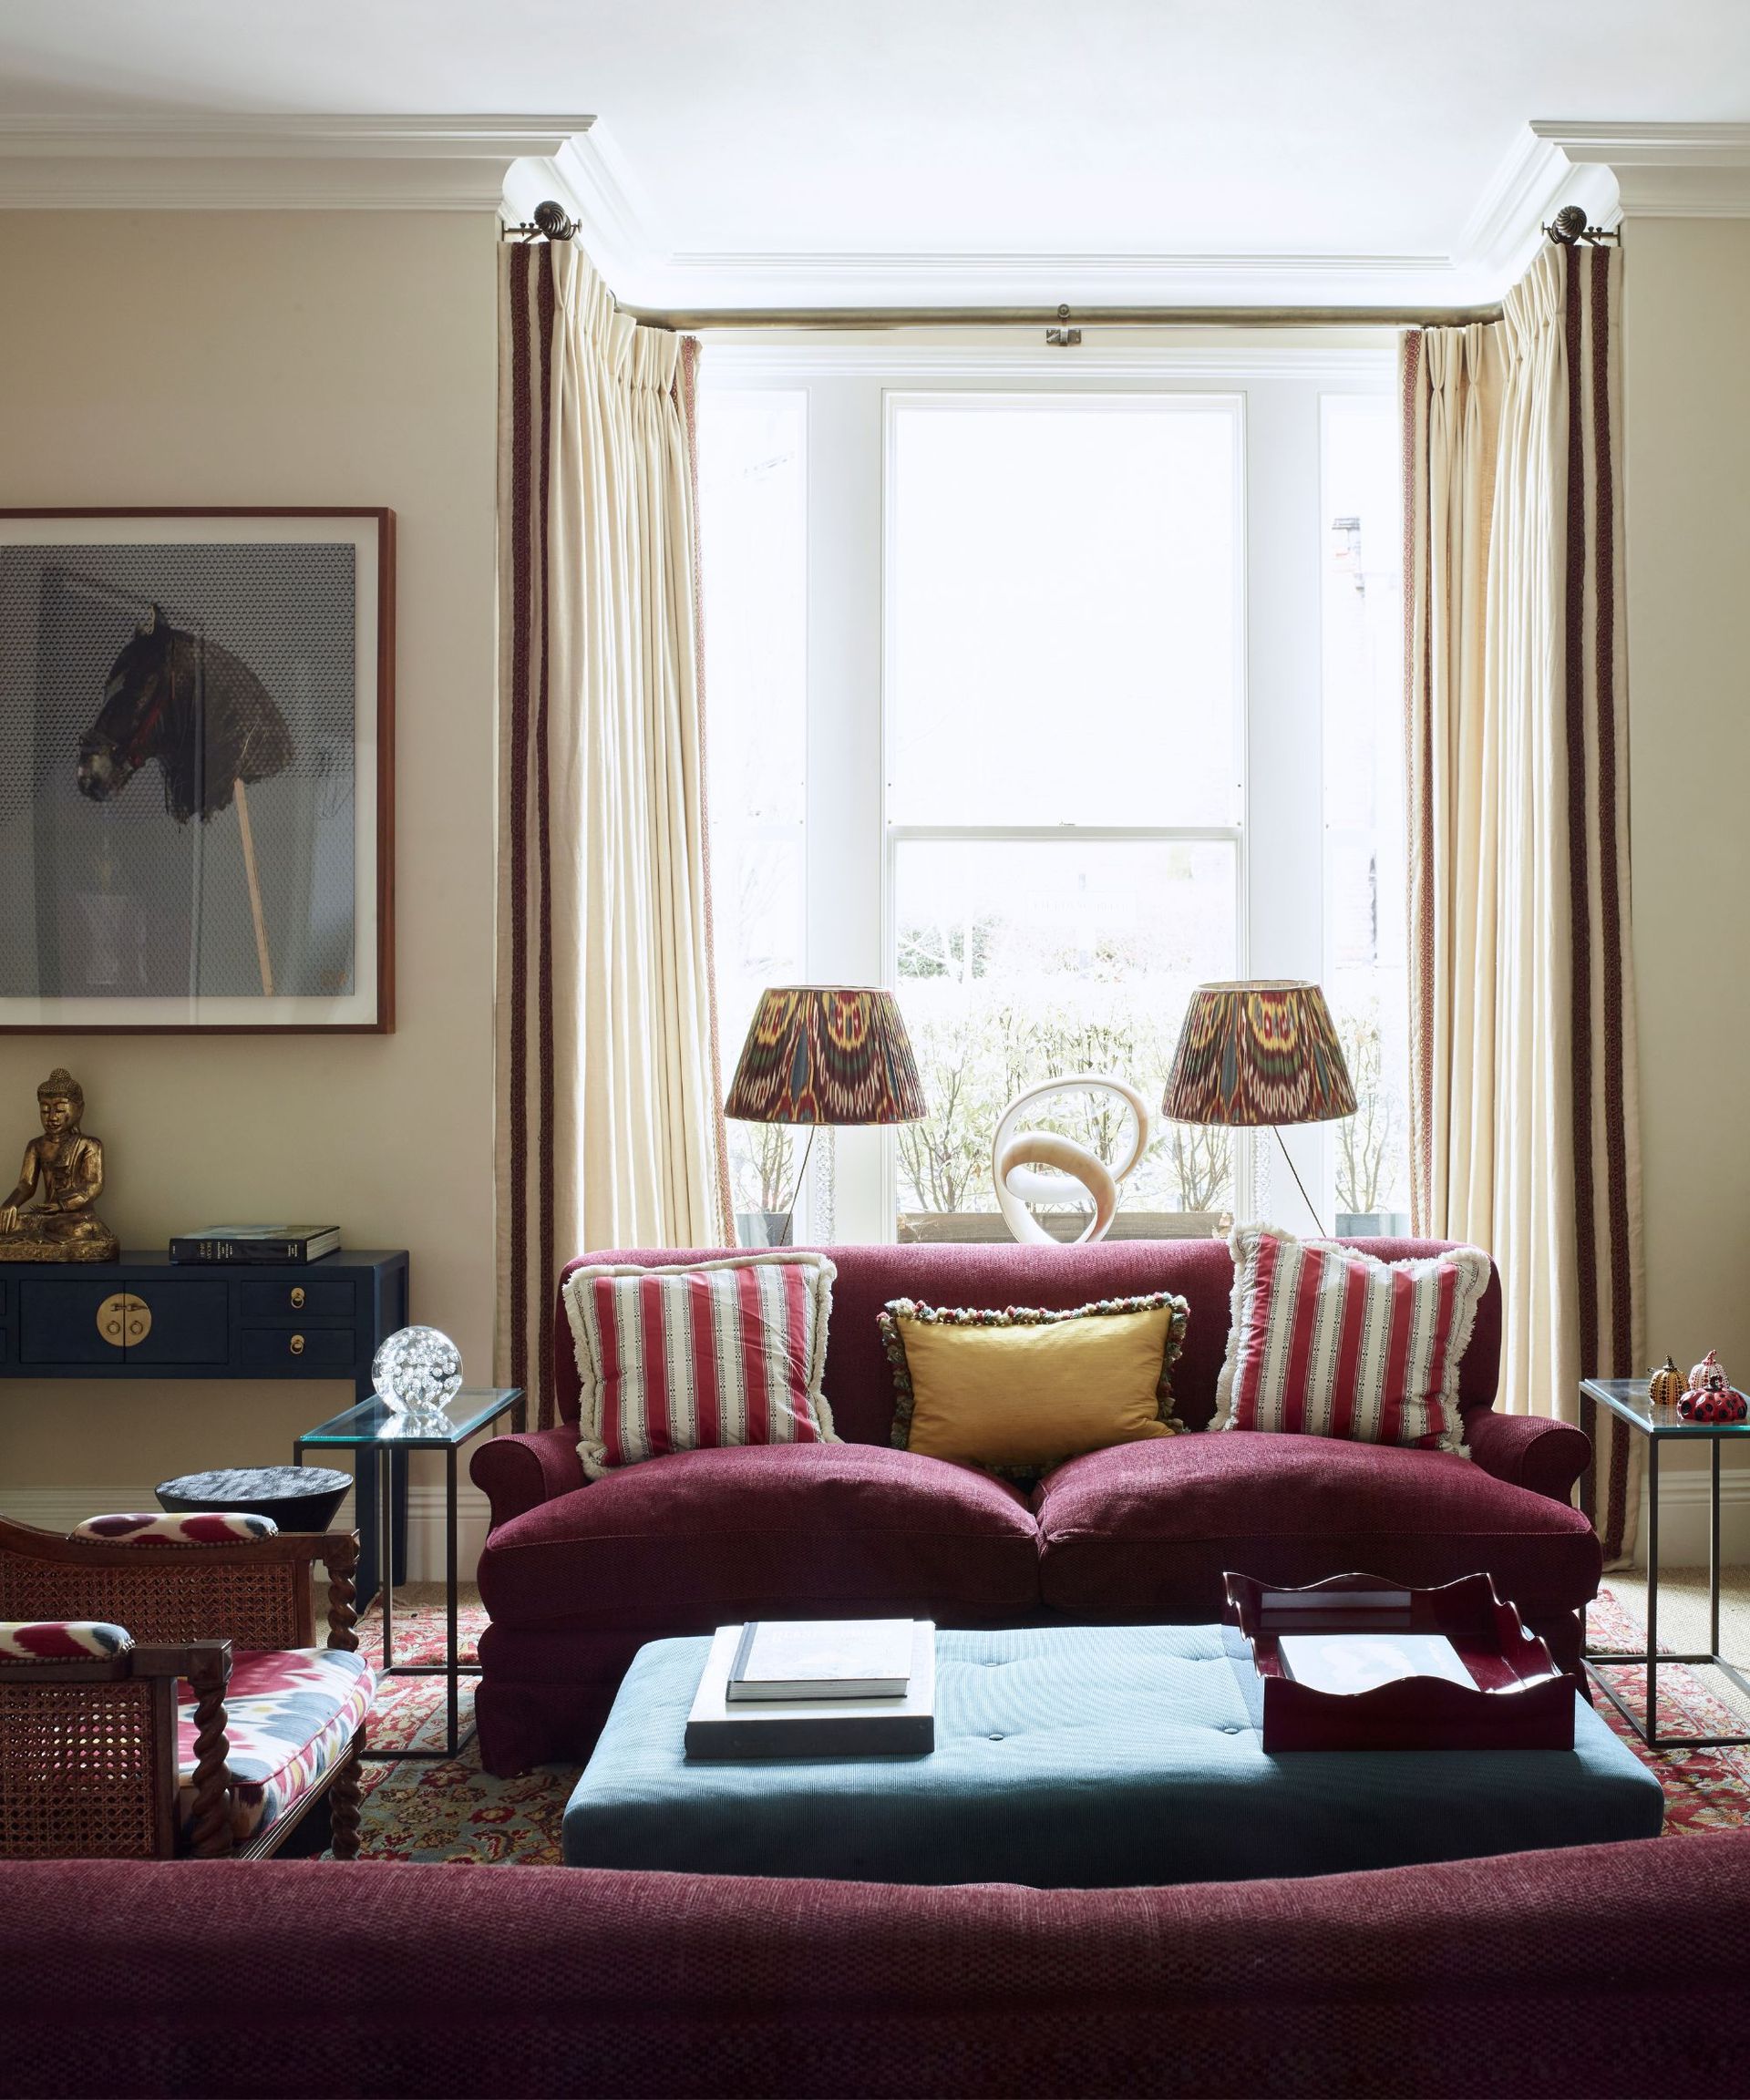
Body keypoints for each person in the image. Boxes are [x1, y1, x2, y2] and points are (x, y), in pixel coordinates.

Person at [0, 1068, 118, 1261]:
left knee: (76, 1229)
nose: (52, 1117)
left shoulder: (89, 1145)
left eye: (60, 1110)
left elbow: (94, 1185)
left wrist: (62, 1205)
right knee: (11, 1224)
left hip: (76, 1216)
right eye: (45, 1110)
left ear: (79, 1109)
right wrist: (9, 1205)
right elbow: (26, 1185)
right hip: (45, 1215)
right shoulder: (36, 1145)